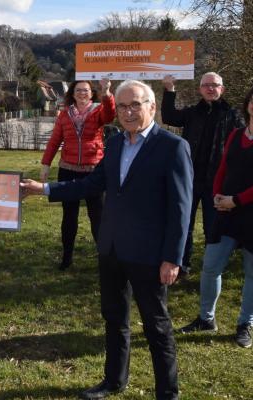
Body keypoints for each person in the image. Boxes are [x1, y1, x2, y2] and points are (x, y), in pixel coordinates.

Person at [22, 80, 193, 400]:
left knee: (157, 327)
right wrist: (44, 189)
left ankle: (167, 393)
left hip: (150, 256)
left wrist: (174, 257)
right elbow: (90, 184)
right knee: (115, 320)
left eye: (136, 105)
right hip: (112, 249)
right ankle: (113, 380)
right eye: (124, 106)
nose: (128, 112)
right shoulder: (114, 145)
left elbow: (181, 208)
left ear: (152, 107)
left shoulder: (172, 147)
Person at [178, 86, 253, 348]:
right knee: (210, 267)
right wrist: (217, 194)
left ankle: (245, 324)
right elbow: (223, 167)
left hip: (249, 213)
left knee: (251, 273)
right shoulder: (235, 135)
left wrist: (237, 200)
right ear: (248, 105)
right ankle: (206, 318)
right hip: (226, 211)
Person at [162, 73, 244, 275]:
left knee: (212, 226)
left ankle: (211, 267)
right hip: (189, 179)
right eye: (206, 85)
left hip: (217, 182)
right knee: (184, 223)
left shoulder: (232, 115)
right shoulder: (192, 113)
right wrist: (169, 90)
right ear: (200, 89)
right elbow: (169, 117)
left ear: (222, 89)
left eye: (214, 85)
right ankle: (182, 265)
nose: (210, 89)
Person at [40, 79, 115, 270]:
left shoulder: (98, 110)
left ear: (92, 94)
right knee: (69, 216)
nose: (83, 93)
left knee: (97, 217)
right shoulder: (65, 114)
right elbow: (55, 139)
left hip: (94, 171)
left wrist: (106, 93)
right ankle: (67, 257)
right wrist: (46, 164)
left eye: (87, 90)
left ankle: (105, 259)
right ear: (73, 93)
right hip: (68, 170)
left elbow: (110, 116)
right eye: (79, 90)